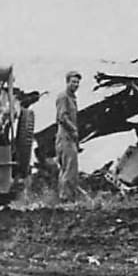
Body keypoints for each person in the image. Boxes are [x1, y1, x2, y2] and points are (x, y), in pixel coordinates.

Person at [55, 70, 82, 201]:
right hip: (65, 137)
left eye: (77, 82)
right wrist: (74, 130)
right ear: (67, 82)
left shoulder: (72, 98)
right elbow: (62, 117)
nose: (75, 84)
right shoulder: (63, 97)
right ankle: (66, 199)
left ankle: (67, 197)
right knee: (69, 169)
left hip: (70, 137)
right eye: (73, 82)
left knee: (68, 168)